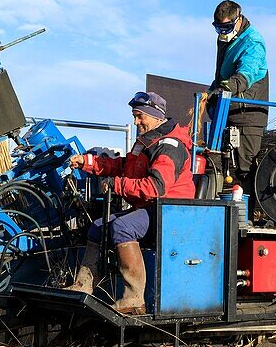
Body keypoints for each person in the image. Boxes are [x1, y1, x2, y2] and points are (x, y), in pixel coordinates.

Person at [67, 91, 195, 314]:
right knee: (98, 227)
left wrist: (118, 185)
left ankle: (134, 298)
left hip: (171, 212)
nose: (135, 122)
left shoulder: (169, 146)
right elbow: (123, 166)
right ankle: (83, 286)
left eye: (139, 116)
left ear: (155, 116)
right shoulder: (147, 142)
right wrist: (87, 162)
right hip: (152, 208)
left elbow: (155, 187)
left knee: (122, 227)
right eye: (134, 116)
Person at [207, 0, 269, 196]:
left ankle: (245, 216)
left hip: (248, 113)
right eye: (218, 28)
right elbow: (223, 75)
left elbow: (246, 72)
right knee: (216, 162)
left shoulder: (253, 41)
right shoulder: (227, 40)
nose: (222, 32)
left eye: (226, 27)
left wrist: (229, 87)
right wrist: (211, 92)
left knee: (245, 168)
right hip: (229, 109)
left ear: (238, 19)